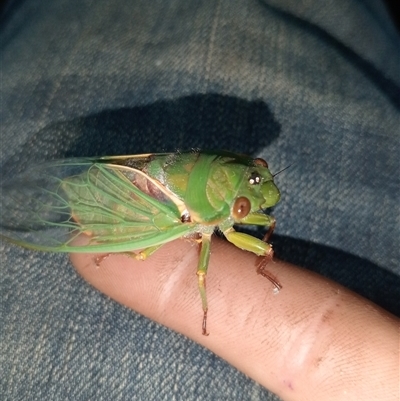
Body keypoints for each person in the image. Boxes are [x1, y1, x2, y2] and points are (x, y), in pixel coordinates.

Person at [1, 0, 399, 400]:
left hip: (153, 172)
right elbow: (201, 273)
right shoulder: (207, 222)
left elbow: (256, 189)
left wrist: (252, 211)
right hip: (135, 203)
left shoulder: (240, 175)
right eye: (242, 208)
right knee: (142, 255)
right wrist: (208, 303)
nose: (253, 208)